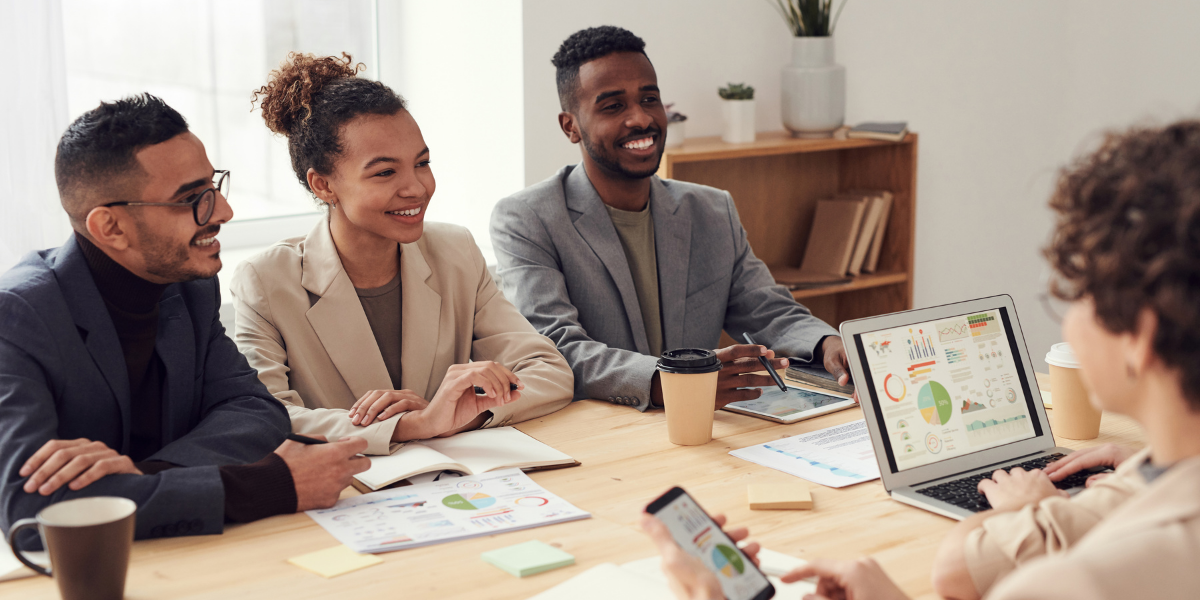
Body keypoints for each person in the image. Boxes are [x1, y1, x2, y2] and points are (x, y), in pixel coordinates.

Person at [642, 120, 1200, 599]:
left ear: (1139, 338)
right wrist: (1145, 464)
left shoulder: (1076, 582)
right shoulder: (1156, 482)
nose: (1070, 319)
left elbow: (960, 567)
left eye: (1080, 294)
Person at [0, 95, 369, 548]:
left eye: (213, 187)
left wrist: (139, 474)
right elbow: (31, 513)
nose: (223, 213)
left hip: (185, 553)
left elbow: (257, 413)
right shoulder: (15, 317)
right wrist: (266, 484)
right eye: (191, 199)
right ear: (110, 228)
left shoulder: (190, 287)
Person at [490, 26, 851, 411]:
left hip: (705, 431)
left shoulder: (712, 210)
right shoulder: (526, 219)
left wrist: (828, 343)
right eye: (613, 106)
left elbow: (766, 307)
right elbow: (557, 345)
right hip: (602, 434)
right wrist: (671, 383)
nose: (640, 119)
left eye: (650, 98)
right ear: (571, 127)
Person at [230, 53, 573, 455]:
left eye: (422, 163)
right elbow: (265, 416)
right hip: (348, 495)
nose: (417, 187)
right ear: (323, 185)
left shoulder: (455, 252)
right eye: (385, 172)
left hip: (464, 485)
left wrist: (464, 414)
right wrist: (413, 425)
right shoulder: (266, 280)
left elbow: (549, 371)